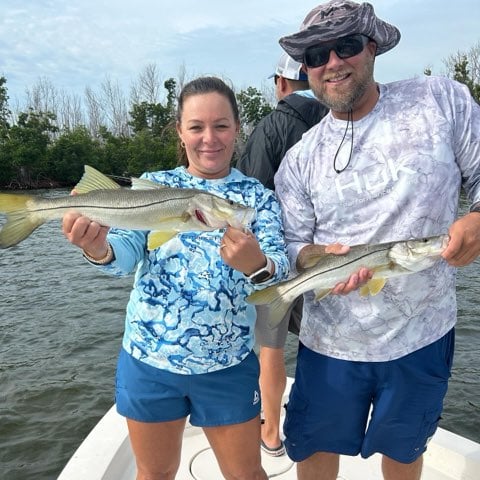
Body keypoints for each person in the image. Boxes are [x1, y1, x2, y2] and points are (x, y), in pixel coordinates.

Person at [274, 1, 480, 479]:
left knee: (405, 449)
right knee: (313, 447)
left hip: (422, 336)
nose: (332, 63)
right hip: (329, 342)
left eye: (345, 46)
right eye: (317, 55)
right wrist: (310, 256)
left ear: (371, 48)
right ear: (305, 69)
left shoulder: (440, 100)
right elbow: (288, 243)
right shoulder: (300, 158)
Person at [62, 76, 290, 480]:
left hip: (228, 363)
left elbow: (278, 274)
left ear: (237, 128)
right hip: (149, 359)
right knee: (154, 474)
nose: (210, 138)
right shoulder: (155, 184)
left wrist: (256, 264)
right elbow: (126, 252)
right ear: (180, 132)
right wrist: (97, 248)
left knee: (246, 476)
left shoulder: (256, 198)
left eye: (221, 125)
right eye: (196, 127)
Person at [236, 52, 327, 457]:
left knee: (270, 347)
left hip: (277, 255)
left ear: (281, 83)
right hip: (324, 255)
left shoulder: (273, 126)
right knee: (321, 339)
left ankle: (271, 432)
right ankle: (319, 420)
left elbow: (248, 195)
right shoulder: (338, 121)